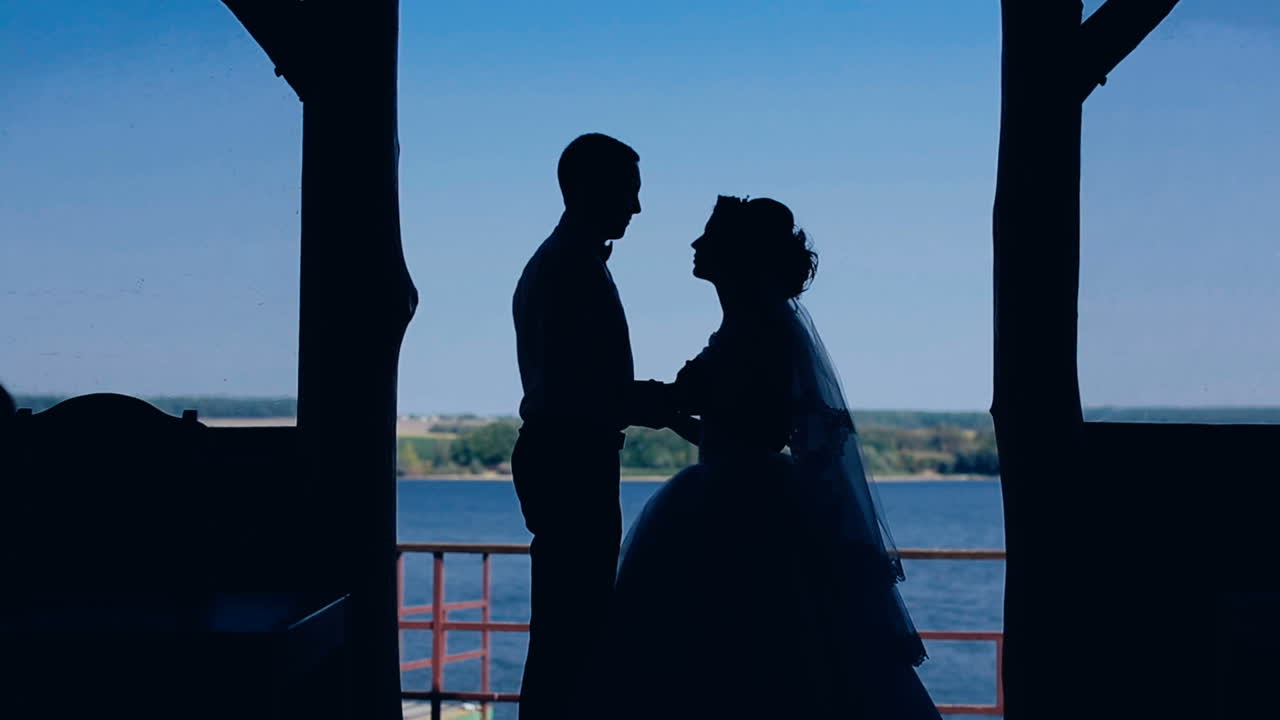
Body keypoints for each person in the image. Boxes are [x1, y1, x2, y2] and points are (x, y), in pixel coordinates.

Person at [608, 196, 942, 719]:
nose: (696, 245)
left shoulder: (754, 331)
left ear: (737, 255)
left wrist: (635, 400)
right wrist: (672, 414)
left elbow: (742, 428)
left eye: (709, 238)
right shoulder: (756, 326)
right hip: (752, 491)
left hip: (730, 509)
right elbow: (741, 430)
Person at [511, 133, 667, 719]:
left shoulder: (563, 262)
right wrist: (668, 405)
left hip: (567, 455)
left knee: (568, 626)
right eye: (628, 189)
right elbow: (580, 391)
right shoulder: (568, 269)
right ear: (586, 189)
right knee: (570, 631)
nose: (636, 206)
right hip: (572, 460)